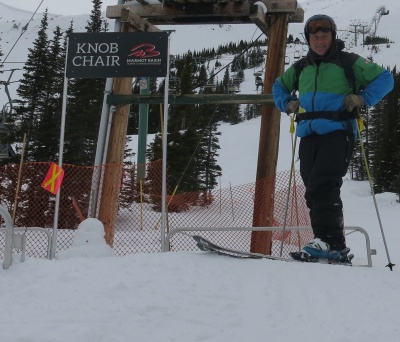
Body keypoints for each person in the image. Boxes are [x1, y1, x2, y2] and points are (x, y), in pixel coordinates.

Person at [272, 14, 394, 261]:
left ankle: (330, 242)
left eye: (324, 35)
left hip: (338, 131)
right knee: (312, 187)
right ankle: (327, 242)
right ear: (308, 39)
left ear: (332, 36)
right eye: (314, 36)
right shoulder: (300, 67)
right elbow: (279, 86)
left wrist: (362, 99)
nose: (319, 40)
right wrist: (287, 103)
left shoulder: (348, 62)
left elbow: (385, 78)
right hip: (308, 134)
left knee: (323, 182)